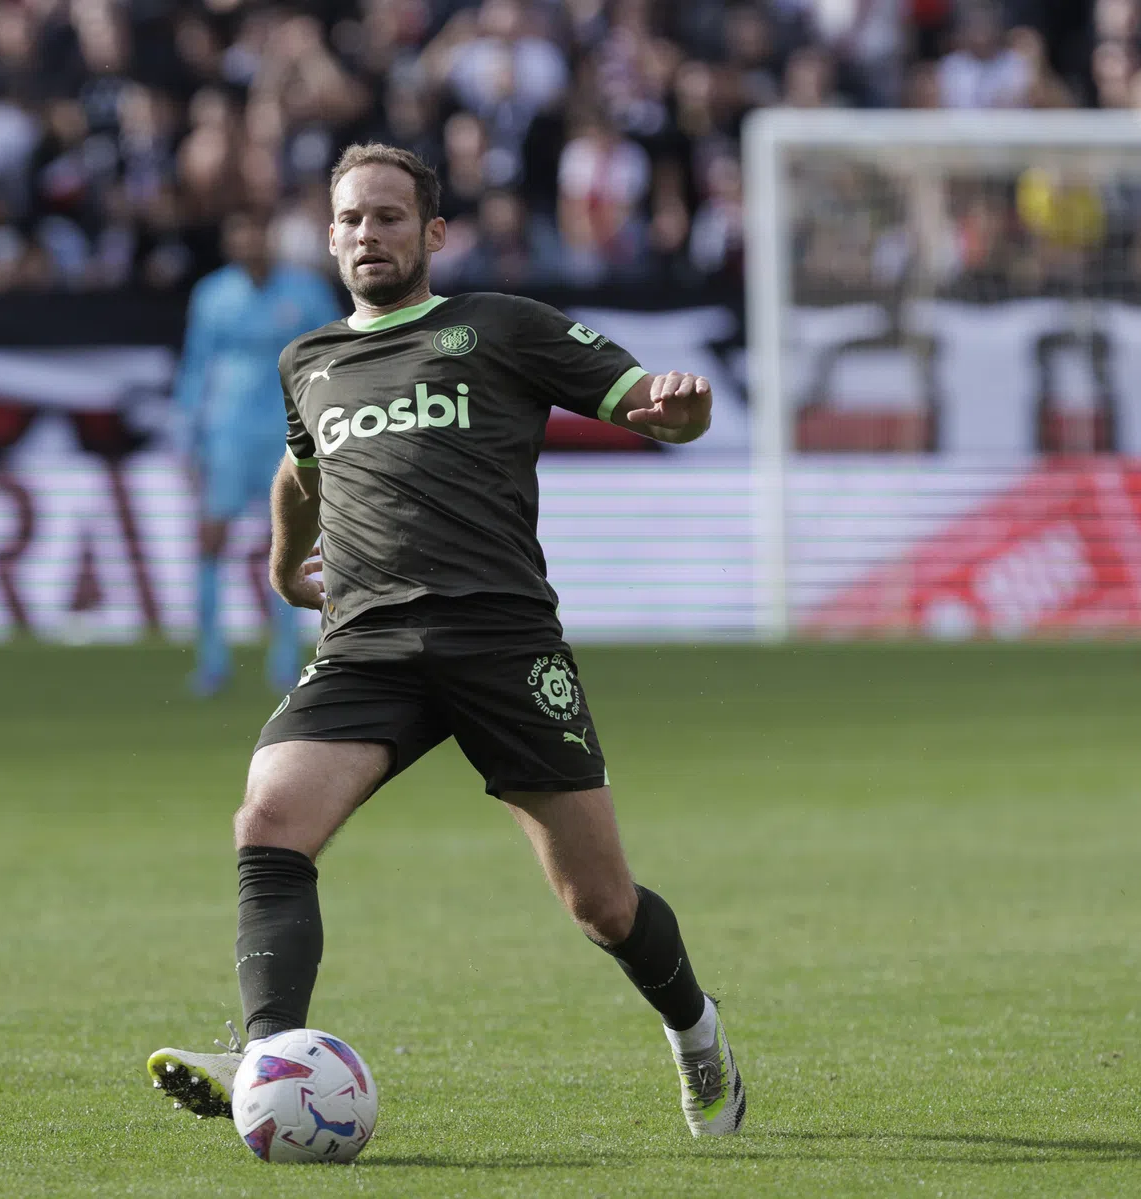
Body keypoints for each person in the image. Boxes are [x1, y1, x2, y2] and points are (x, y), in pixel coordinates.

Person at [146, 144, 744, 1140]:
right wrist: (284, 564)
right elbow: (302, 473)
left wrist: (678, 413)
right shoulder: (308, 360)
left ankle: (695, 1031)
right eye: (350, 220)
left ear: (429, 233)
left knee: (598, 901)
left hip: (500, 640)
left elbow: (644, 399)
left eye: (388, 217)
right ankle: (267, 1052)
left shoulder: (498, 326)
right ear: (329, 235)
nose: (367, 235)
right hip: (366, 640)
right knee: (268, 818)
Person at [173, 210, 339, 695]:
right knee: (212, 538)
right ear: (230, 241)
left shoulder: (306, 291)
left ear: (270, 236)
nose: (250, 240)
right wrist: (188, 435)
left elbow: (332, 357)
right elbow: (195, 367)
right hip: (227, 435)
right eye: (240, 231)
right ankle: (211, 659)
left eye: (257, 231)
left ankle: (286, 659)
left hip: (291, 436)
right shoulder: (213, 295)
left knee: (290, 543)